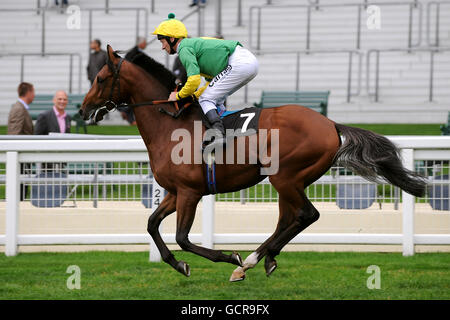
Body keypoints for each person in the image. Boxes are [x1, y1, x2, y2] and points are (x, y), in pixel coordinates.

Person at [153, 13, 258, 148]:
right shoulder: (193, 47)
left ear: (172, 39)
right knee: (214, 100)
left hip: (240, 62)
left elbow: (194, 81)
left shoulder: (184, 48)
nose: (162, 47)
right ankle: (226, 130)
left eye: (162, 42)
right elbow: (208, 84)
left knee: (206, 99)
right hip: (246, 62)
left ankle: (219, 135)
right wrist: (193, 96)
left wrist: (178, 96)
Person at [7, 82, 35, 201]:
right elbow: (13, 134)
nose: (34, 95)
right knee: (19, 191)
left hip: (21, 157)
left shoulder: (21, 108)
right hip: (19, 158)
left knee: (22, 189)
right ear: (28, 92)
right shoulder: (19, 109)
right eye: (33, 92)